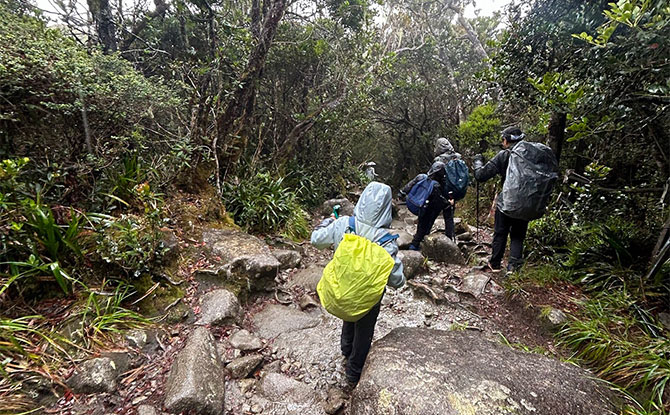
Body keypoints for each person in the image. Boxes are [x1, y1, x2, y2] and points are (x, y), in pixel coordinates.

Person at [311, 181, 405, 387]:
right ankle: (353, 373)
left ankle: (345, 349)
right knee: (364, 328)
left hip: (343, 287)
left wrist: (327, 223)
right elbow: (397, 281)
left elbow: (316, 240)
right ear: (387, 207)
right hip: (369, 298)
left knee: (350, 308)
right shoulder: (387, 241)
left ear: (361, 201)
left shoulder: (344, 223)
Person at [473, 126, 529, 273]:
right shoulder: (530, 155)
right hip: (526, 203)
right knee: (518, 236)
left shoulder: (504, 155)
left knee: (500, 232)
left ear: (506, 140)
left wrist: (477, 162)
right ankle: (513, 269)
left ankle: (496, 264)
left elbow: (481, 176)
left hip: (507, 202)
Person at [399, 161, 453, 250]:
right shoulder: (436, 186)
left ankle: (419, 243)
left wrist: (402, 193)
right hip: (426, 208)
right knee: (424, 227)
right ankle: (415, 246)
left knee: (421, 225)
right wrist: (448, 203)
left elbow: (410, 184)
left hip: (416, 204)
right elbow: (440, 200)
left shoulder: (421, 177)